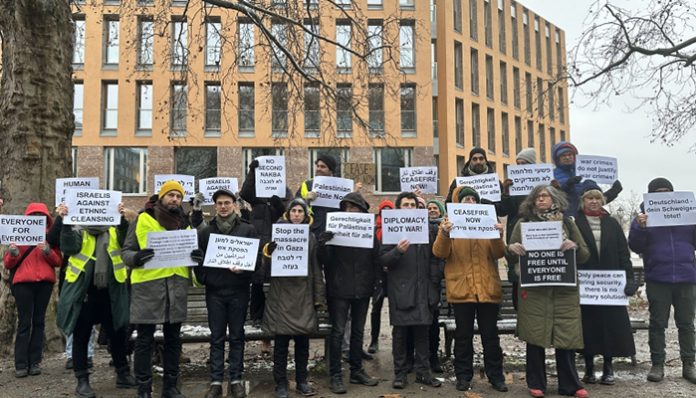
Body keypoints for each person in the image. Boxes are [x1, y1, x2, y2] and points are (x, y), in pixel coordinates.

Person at [507, 184, 591, 398]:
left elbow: (584, 255)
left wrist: (574, 246)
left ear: (555, 200)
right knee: (535, 337)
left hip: (564, 289)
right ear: (532, 201)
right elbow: (511, 256)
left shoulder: (567, 223)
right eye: (538, 197)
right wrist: (512, 249)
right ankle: (536, 383)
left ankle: (570, 384)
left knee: (566, 337)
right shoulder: (523, 224)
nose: (542, 199)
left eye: (546, 196)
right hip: (535, 291)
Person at [122, 180, 202, 398]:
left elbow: (191, 254)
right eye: (171, 195)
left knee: (173, 340)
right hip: (148, 289)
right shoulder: (143, 218)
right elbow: (126, 252)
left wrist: (195, 257)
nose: (175, 199)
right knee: (145, 340)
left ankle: (170, 387)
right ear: (162, 197)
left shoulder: (184, 224)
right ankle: (144, 388)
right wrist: (136, 258)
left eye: (178, 196)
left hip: (176, 289)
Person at [56, 202, 137, 397]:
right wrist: (65, 222)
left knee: (117, 334)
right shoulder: (78, 230)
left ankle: (122, 373)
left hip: (111, 293)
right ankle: (82, 380)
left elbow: (128, 241)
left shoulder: (114, 229)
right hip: (83, 294)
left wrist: (123, 221)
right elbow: (68, 246)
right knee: (81, 337)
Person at [433, 186, 508, 392]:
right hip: (462, 289)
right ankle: (463, 377)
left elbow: (499, 253)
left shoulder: (487, 222)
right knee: (463, 336)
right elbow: (439, 252)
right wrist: (445, 233)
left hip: (487, 288)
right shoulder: (449, 223)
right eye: (466, 199)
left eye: (473, 200)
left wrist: (497, 234)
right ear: (458, 202)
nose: (471, 203)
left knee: (490, 336)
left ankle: (496, 376)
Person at [628, 177, 696, 384]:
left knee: (686, 324)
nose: (663, 195)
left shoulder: (688, 215)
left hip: (686, 277)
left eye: (666, 191)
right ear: (650, 195)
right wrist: (640, 227)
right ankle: (657, 364)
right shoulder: (643, 218)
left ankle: (689, 364)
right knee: (657, 324)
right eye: (657, 192)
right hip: (658, 278)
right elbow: (635, 246)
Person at [195, 189, 258, 398]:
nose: (223, 206)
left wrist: (244, 269)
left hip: (239, 291)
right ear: (215, 206)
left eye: (227, 203)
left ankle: (237, 379)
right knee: (217, 337)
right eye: (220, 203)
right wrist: (205, 277)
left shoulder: (248, 230)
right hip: (215, 292)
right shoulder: (205, 232)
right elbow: (199, 262)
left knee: (237, 336)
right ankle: (215, 381)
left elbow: (257, 263)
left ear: (234, 205)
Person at [262, 198, 327, 398]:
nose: (297, 214)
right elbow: (267, 271)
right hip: (281, 296)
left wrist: (319, 298)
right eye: (294, 211)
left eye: (300, 211)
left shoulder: (312, 238)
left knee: (302, 345)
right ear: (288, 214)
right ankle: (280, 383)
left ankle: (301, 381)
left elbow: (316, 270)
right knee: (281, 346)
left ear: (305, 214)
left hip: (304, 297)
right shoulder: (278, 235)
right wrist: (268, 254)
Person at [574, 182, 637, 385]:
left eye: (597, 198)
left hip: (610, 286)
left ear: (602, 200)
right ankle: (589, 367)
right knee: (588, 325)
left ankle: (608, 367)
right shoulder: (574, 222)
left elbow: (623, 254)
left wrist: (630, 279)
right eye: (589, 198)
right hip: (585, 285)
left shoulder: (612, 224)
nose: (593, 201)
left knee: (610, 326)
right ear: (583, 200)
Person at [318, 192, 380, 394]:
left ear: (362, 211)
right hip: (339, 289)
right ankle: (335, 375)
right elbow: (323, 261)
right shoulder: (335, 230)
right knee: (337, 332)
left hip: (362, 288)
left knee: (358, 332)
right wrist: (324, 243)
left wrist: (377, 282)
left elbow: (376, 257)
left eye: (354, 207)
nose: (350, 210)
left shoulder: (368, 232)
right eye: (347, 207)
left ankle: (356, 370)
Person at [380, 192, 442, 389]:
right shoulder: (392, 230)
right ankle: (400, 374)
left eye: (412, 204)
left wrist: (432, 284)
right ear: (399, 208)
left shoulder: (427, 229)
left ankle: (423, 372)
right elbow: (382, 259)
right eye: (405, 204)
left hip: (423, 289)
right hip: (401, 289)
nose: (409, 207)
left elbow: (435, 257)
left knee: (422, 332)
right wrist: (397, 251)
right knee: (400, 334)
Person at [4, 202, 62, 378]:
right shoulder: (19, 234)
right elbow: (7, 263)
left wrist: (47, 251)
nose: (38, 219)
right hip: (23, 284)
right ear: (28, 219)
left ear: (46, 219)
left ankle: (34, 362)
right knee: (24, 323)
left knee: (38, 322)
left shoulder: (50, 238)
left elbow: (58, 261)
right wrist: (13, 253)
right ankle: (21, 364)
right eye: (34, 216)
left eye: (41, 216)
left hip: (44, 284)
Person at [240, 159, 291, 355]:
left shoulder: (283, 190)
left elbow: (286, 210)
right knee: (258, 285)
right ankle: (259, 328)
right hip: (258, 242)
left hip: (275, 245)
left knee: (272, 288)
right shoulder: (256, 193)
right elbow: (245, 193)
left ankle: (271, 337)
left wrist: (277, 201)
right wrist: (252, 171)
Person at [502, 147, 537, 310]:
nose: (521, 166)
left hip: (538, 237)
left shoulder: (541, 187)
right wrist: (506, 193)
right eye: (518, 163)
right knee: (518, 283)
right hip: (517, 235)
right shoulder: (513, 186)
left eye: (524, 163)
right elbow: (503, 210)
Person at [551, 142, 622, 217]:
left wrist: (613, 191)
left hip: (587, 218)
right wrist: (567, 186)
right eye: (563, 155)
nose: (567, 157)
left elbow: (595, 200)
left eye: (570, 154)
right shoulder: (552, 175)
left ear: (574, 156)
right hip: (566, 218)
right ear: (557, 159)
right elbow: (553, 199)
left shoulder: (586, 172)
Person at [368, 199, 394, 354]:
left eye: (389, 210)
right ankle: (374, 340)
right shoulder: (373, 229)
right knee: (375, 309)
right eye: (384, 211)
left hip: (392, 274)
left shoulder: (397, 228)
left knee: (395, 309)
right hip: (377, 275)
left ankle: (396, 341)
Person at [296, 153, 340, 236]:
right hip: (313, 231)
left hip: (334, 231)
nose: (318, 169)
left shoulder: (341, 186)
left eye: (323, 167)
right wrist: (306, 200)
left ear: (331, 170)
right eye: (318, 166)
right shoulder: (307, 184)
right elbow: (295, 206)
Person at [426, 199, 446, 374]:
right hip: (421, 281)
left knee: (433, 322)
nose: (432, 210)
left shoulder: (446, 228)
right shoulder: (419, 227)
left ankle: (433, 357)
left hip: (436, 282)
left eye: (435, 208)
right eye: (429, 208)